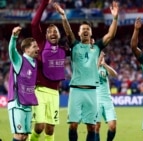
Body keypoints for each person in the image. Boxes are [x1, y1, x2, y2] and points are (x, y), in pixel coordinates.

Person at [53, 1, 119, 141]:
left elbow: (110, 35)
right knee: (73, 125)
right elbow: (68, 32)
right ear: (79, 32)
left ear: (91, 32)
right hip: (76, 90)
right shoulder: (75, 45)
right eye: (82, 29)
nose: (85, 31)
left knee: (92, 127)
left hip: (92, 92)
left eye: (87, 29)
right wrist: (64, 16)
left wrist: (115, 18)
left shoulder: (97, 47)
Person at [29, 0, 69, 140]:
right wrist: (44, 3)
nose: (52, 33)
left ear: (58, 35)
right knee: (39, 126)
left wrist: (63, 16)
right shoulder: (41, 43)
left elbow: (74, 43)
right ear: (46, 35)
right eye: (49, 31)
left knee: (50, 129)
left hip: (54, 93)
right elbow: (34, 24)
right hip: (39, 90)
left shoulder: (63, 50)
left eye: (55, 31)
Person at [7, 26, 40, 141]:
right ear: (26, 50)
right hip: (17, 104)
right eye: (34, 46)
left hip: (27, 104)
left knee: (25, 137)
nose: (38, 48)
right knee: (19, 136)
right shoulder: (19, 60)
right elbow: (12, 51)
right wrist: (14, 37)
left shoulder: (34, 63)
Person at [95, 51, 117, 141]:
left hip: (107, 100)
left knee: (112, 126)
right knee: (96, 127)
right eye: (100, 57)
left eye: (102, 57)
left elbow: (114, 74)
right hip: (96, 100)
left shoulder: (104, 69)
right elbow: (92, 74)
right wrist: (99, 59)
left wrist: (105, 65)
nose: (101, 58)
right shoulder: (92, 68)